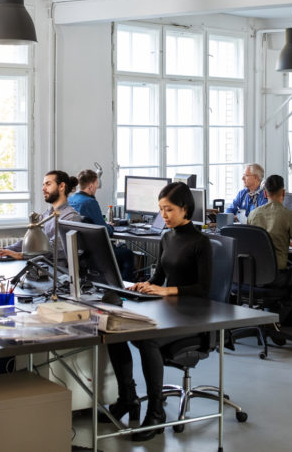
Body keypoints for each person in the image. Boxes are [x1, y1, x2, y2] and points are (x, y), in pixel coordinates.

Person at [104, 182, 212, 441]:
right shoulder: (166, 237)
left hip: (193, 318)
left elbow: (203, 289)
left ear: (185, 209)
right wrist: (148, 286)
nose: (164, 215)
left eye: (169, 210)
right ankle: (127, 398)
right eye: (161, 209)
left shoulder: (201, 242)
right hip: (168, 312)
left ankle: (156, 413)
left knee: (147, 339)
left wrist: (167, 291)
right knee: (113, 326)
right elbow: (159, 276)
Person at [247, 174, 292, 323]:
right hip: (275, 277)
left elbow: (259, 240)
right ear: (283, 193)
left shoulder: (253, 214)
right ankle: (274, 321)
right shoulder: (289, 215)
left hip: (251, 275)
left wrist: (286, 241)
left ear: (265, 193)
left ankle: (267, 319)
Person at [0, 170, 81, 261]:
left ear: (61, 186)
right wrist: (5, 249)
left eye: (48, 184)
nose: (43, 188)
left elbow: (53, 248)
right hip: (37, 266)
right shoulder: (46, 215)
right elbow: (31, 242)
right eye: (43, 185)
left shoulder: (71, 217)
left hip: (56, 271)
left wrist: (20, 255)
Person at [69, 169, 136, 280]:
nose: (96, 188)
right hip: (93, 252)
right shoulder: (89, 202)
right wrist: (110, 226)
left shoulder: (71, 199)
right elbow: (105, 231)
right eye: (96, 184)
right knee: (127, 254)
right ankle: (125, 289)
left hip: (78, 250)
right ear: (90, 186)